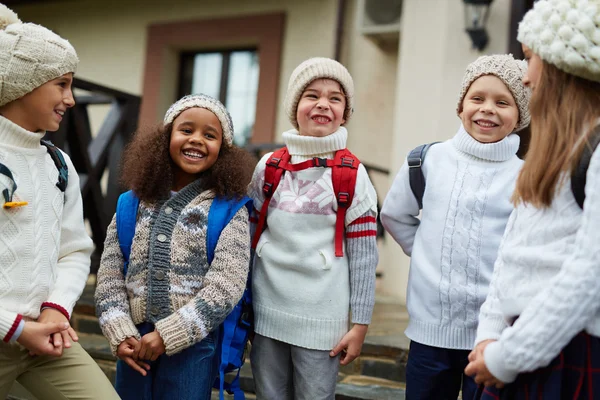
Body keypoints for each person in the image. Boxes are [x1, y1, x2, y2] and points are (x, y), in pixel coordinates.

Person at [465, 1, 600, 398]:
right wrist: (489, 336)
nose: (524, 77)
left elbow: (589, 274)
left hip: (562, 351)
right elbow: (511, 255)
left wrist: (508, 355)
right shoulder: (549, 157)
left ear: (562, 68)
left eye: (530, 59)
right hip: (516, 348)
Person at [381, 54, 531, 399]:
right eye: (477, 98)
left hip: (492, 337)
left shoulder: (526, 176)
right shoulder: (428, 160)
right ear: (461, 105)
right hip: (429, 334)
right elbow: (394, 214)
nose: (487, 109)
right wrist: (426, 251)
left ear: (520, 115)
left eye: (502, 102)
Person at [94, 94, 255, 400]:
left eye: (210, 135)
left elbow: (226, 286)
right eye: (186, 130)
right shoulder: (131, 204)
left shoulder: (228, 211)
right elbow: (110, 277)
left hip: (194, 344)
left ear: (223, 150)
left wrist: (169, 335)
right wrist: (119, 331)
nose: (197, 140)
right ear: (166, 137)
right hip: (134, 343)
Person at [0, 3, 119, 399]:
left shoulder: (58, 163)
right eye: (62, 84)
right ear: (23, 83)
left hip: (45, 338)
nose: (70, 99)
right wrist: (15, 328)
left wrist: (55, 308)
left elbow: (73, 249)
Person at [248, 57, 379, 400]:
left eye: (335, 98)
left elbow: (364, 256)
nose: (323, 104)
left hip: (322, 319)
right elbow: (247, 235)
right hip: (266, 310)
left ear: (344, 114)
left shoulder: (352, 174)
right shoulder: (269, 167)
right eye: (312, 95)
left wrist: (360, 324)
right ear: (296, 108)